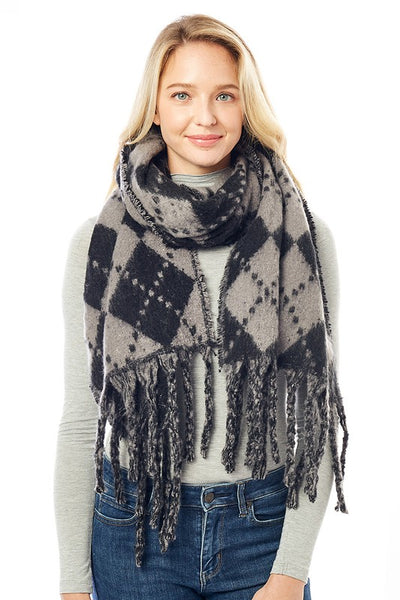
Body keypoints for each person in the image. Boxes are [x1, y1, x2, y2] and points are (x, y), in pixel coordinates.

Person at [54, 13, 348, 600]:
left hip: (260, 532)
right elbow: (81, 420)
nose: (206, 116)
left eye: (225, 95)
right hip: (134, 531)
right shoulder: (102, 242)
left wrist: (290, 571)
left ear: (246, 106)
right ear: (156, 107)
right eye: (182, 95)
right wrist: (71, 584)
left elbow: (311, 416)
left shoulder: (300, 238)